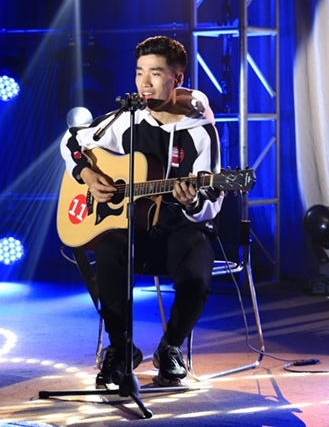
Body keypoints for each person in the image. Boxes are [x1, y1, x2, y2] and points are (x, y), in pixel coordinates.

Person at [60, 35, 223, 387]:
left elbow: (212, 198)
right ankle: (120, 349)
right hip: (135, 228)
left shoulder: (200, 130)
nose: (144, 83)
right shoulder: (126, 119)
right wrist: (86, 174)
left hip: (182, 229)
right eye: (139, 72)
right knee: (108, 251)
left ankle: (170, 347)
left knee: (197, 274)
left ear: (177, 78)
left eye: (156, 73)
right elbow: (71, 141)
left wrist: (191, 201)